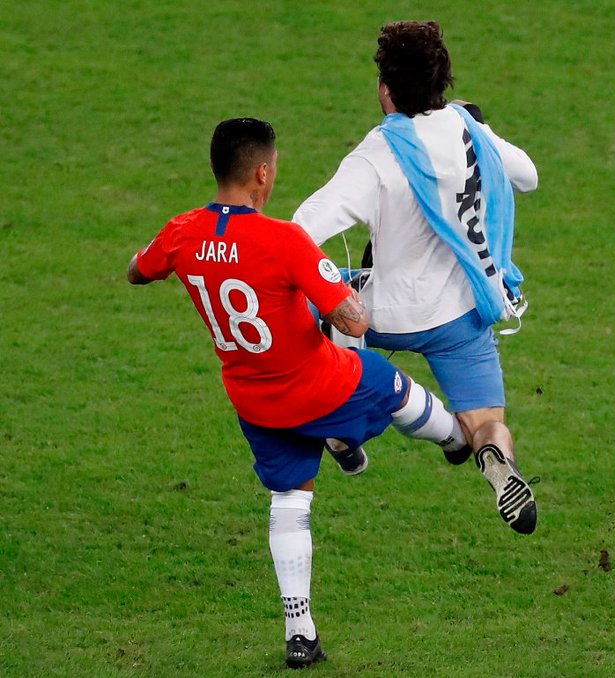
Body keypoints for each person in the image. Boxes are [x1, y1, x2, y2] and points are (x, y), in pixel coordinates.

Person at [127, 118, 473, 669]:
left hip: (254, 400)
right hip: (320, 385)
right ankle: (459, 440)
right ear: (262, 173)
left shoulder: (181, 232)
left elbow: (136, 271)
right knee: (392, 385)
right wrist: (339, 283)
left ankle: (300, 632)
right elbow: (354, 323)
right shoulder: (285, 241)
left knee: (290, 502)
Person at [292, 20, 539, 535]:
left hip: (384, 314)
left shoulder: (381, 153)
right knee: (486, 421)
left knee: (322, 287)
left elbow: (303, 227)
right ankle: (497, 461)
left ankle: (341, 427)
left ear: (385, 89)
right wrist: (482, 130)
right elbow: (528, 176)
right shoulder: (471, 132)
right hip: (464, 314)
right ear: (443, 82)